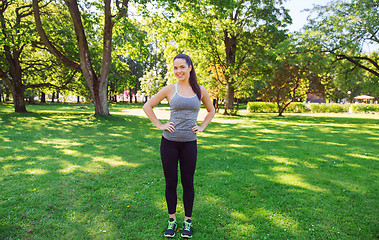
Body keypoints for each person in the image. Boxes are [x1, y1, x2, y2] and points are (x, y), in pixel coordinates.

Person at [143, 54, 215, 238]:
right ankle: (172, 220)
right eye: (175, 68)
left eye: (182, 67)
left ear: (190, 67)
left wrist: (201, 127)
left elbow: (211, 110)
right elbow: (147, 106)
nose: (178, 71)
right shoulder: (169, 89)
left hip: (189, 144)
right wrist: (160, 125)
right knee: (171, 183)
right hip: (169, 143)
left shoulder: (200, 90)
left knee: (188, 183)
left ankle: (188, 222)